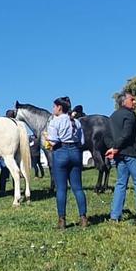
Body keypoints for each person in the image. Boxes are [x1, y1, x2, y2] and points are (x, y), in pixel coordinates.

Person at [106, 92, 136, 223]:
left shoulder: (112, 116)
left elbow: (107, 135)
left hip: (119, 155)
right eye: (132, 99)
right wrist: (116, 148)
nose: (135, 102)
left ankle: (115, 215)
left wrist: (112, 148)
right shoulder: (130, 115)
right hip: (132, 153)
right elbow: (127, 134)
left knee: (120, 183)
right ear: (124, 102)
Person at [47, 96, 87, 229]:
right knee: (78, 188)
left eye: (54, 106)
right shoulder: (76, 122)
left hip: (61, 152)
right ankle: (83, 218)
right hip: (75, 152)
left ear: (59, 107)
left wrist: (46, 139)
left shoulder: (54, 122)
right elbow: (81, 142)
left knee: (61, 189)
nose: (53, 109)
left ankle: (62, 220)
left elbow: (53, 142)